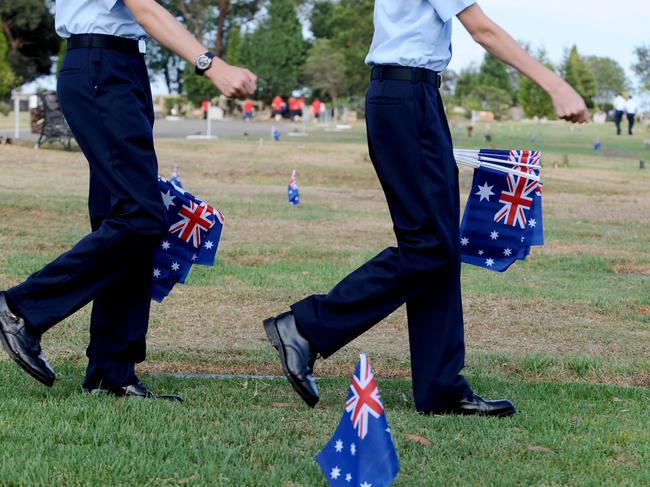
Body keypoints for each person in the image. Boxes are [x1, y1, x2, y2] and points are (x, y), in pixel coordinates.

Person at [263, 0, 587, 416]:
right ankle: (305, 326)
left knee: (439, 247)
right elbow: (481, 30)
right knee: (428, 246)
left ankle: (440, 388)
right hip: (407, 98)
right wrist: (555, 85)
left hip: (412, 96)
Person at [0, 0, 256, 400]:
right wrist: (210, 63)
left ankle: (111, 372)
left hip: (116, 66)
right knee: (141, 216)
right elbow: (145, 9)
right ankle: (22, 309)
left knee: (122, 217)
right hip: (103, 66)